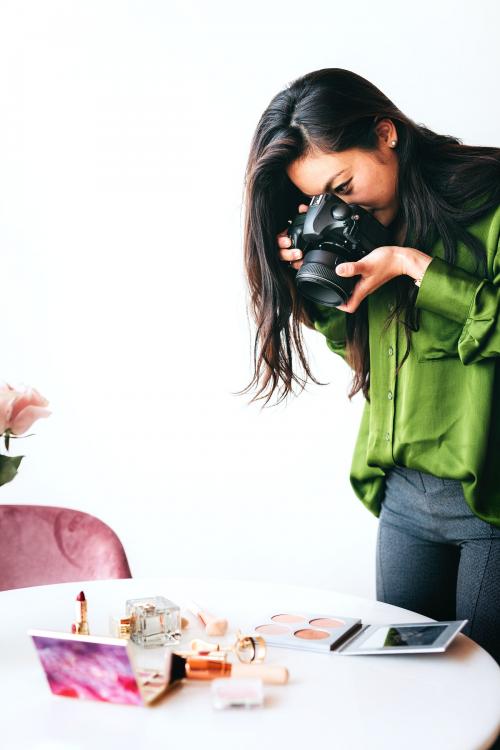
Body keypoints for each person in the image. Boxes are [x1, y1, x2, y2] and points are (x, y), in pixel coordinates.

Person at [241, 68, 500, 665]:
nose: (341, 205)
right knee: (406, 687)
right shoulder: (362, 229)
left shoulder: (490, 200)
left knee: (486, 695)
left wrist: (417, 267)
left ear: (385, 134)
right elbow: (371, 354)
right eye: (321, 199)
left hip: (487, 502)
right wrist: (315, 291)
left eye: (344, 184)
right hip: (403, 502)